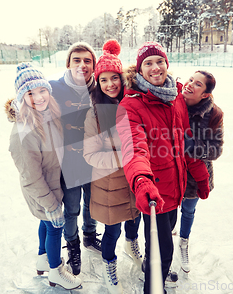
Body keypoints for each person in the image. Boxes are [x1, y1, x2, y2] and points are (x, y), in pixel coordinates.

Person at [115, 42, 210, 294]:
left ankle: (153, 268)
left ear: (167, 64)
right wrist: (142, 182)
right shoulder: (131, 106)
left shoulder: (176, 96)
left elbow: (185, 140)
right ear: (139, 70)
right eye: (148, 63)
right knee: (162, 251)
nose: (155, 68)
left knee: (162, 240)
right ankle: (153, 287)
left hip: (175, 190)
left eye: (159, 61)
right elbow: (134, 149)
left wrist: (200, 176)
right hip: (153, 195)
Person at [5, 63, 81, 289]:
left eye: (42, 90)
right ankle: (56, 270)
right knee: (54, 226)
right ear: (21, 97)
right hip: (42, 191)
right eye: (30, 93)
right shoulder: (23, 132)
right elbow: (31, 177)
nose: (38, 97)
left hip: (51, 184)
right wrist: (50, 204)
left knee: (47, 225)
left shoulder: (46, 115)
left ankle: (43, 258)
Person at [83, 39, 143, 294]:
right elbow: (90, 155)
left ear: (122, 78)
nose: (110, 85)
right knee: (111, 231)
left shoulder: (133, 104)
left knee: (135, 219)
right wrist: (124, 158)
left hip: (134, 179)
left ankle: (132, 246)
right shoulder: (94, 113)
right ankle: (110, 266)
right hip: (109, 185)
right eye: (103, 79)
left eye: (114, 78)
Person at [49, 42, 101, 276]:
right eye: (77, 60)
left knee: (92, 204)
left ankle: (90, 236)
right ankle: (73, 245)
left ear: (94, 65)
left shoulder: (101, 89)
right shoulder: (53, 88)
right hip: (68, 163)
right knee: (71, 209)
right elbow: (29, 100)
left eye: (87, 60)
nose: (82, 65)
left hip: (94, 161)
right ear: (68, 63)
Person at [179, 70, 224, 273]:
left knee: (188, 211)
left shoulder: (214, 114)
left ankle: (183, 242)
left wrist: (191, 145)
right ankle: (167, 241)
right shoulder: (172, 102)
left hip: (195, 179)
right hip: (170, 171)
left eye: (198, 84)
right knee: (168, 213)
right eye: (190, 79)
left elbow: (216, 149)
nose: (190, 84)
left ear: (205, 94)